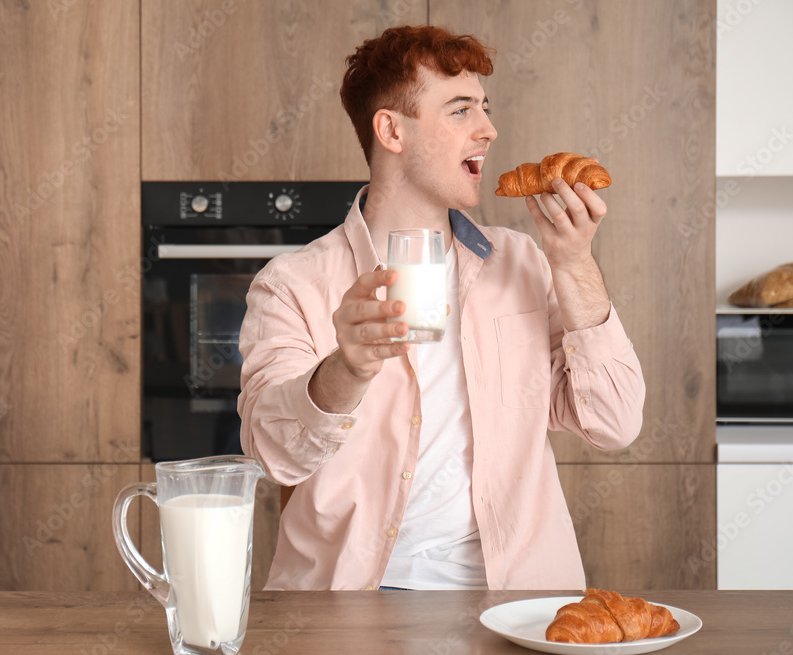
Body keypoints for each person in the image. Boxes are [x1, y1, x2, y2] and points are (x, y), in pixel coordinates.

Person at [237, 25, 645, 591]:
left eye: (485, 107)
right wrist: (346, 370)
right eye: (460, 111)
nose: (488, 129)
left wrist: (575, 265)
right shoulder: (293, 284)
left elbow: (615, 423)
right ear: (391, 131)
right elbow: (273, 455)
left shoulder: (523, 261)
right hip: (348, 608)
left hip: (513, 601)